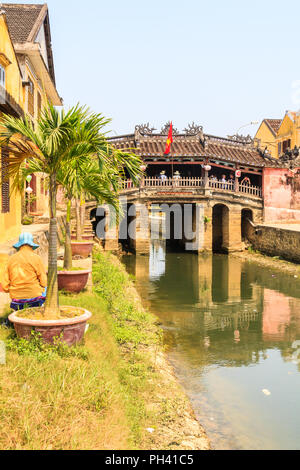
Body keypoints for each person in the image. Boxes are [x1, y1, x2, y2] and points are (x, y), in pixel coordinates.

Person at [1, 233, 47, 311]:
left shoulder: (10, 259)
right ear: (32, 245)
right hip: (35, 297)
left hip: (16, 299)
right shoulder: (37, 258)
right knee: (47, 287)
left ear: (19, 245)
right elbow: (44, 282)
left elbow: (5, 286)